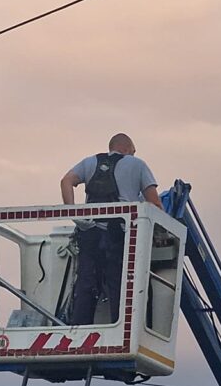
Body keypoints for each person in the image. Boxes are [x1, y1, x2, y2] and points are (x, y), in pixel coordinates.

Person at [60, 133, 163, 325]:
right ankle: (122, 328)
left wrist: (74, 214)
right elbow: (155, 203)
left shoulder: (90, 162)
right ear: (127, 149)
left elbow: (66, 181)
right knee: (120, 284)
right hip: (120, 235)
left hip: (90, 233)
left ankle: (80, 332)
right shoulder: (137, 164)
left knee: (86, 284)